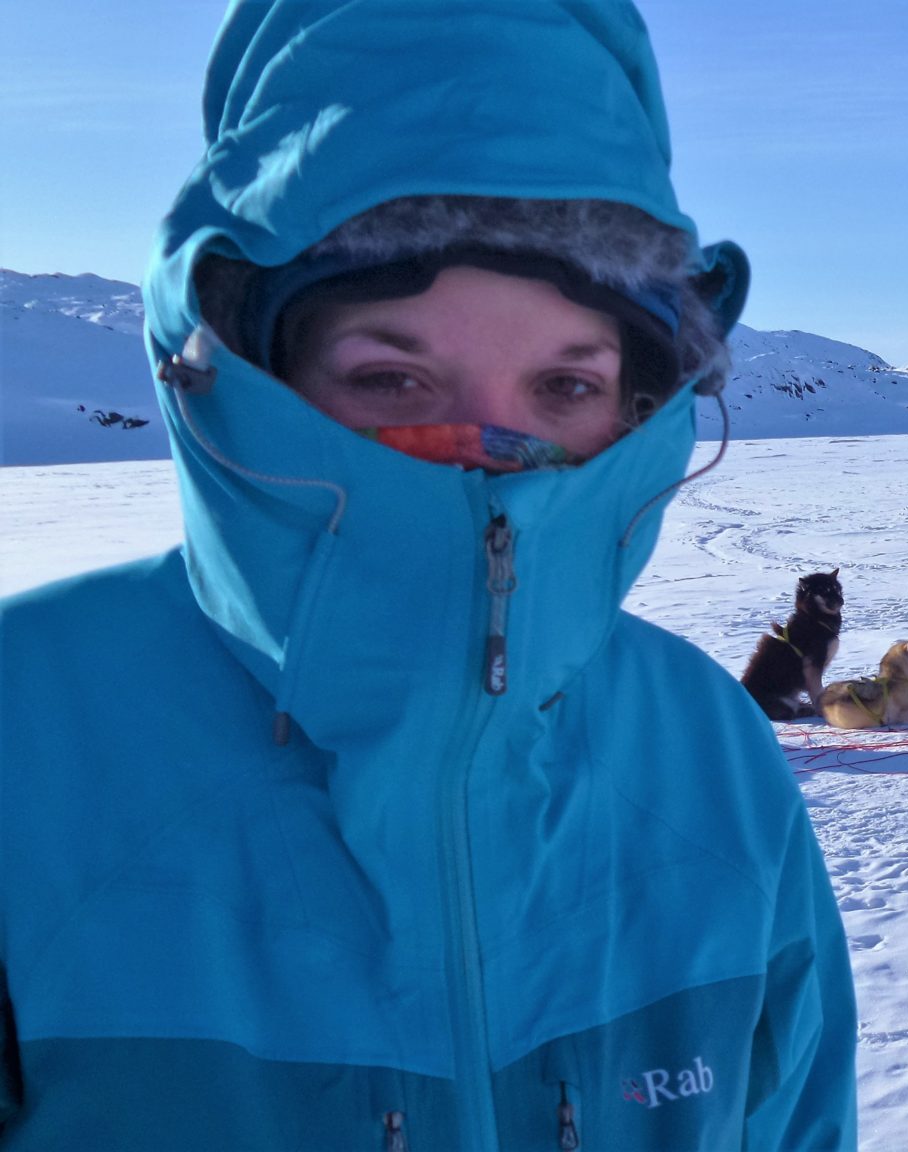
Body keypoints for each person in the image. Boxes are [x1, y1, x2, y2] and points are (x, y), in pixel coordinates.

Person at [0, 2, 857, 1148]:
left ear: (640, 405)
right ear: (249, 368)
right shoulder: (28, 735)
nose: (487, 456)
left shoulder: (704, 747)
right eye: (391, 378)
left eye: (564, 387)